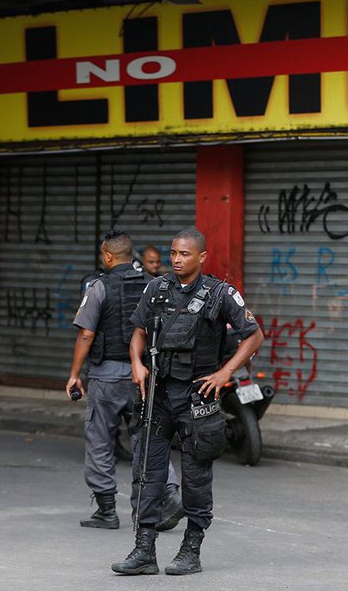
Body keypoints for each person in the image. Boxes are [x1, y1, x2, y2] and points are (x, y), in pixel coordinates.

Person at [112, 228, 264, 576]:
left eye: (184, 254)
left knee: (196, 477)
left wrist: (225, 372)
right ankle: (144, 550)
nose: (177, 259)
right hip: (158, 394)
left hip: (198, 396)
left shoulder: (220, 293)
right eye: (174, 253)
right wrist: (137, 363)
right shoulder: (157, 288)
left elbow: (254, 336)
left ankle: (191, 550)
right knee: (148, 474)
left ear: (201, 257)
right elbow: (138, 330)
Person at [66, 231, 184, 531]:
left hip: (106, 376)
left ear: (107, 256)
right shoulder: (154, 284)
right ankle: (168, 495)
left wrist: (74, 374)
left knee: (100, 440)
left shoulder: (99, 286)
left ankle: (106, 510)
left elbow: (86, 333)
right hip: (143, 374)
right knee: (148, 438)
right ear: (131, 255)